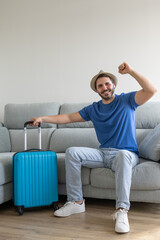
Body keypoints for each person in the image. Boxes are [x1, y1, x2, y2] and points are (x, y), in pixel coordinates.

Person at [30, 62, 157, 234]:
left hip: (126, 154)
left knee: (122, 155)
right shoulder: (93, 109)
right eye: (100, 86)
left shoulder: (127, 100)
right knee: (72, 152)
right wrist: (43, 118)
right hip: (103, 153)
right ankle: (76, 203)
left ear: (113, 85)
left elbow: (151, 91)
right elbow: (67, 117)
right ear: (97, 90)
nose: (104, 87)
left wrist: (131, 71)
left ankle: (121, 211)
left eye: (107, 84)